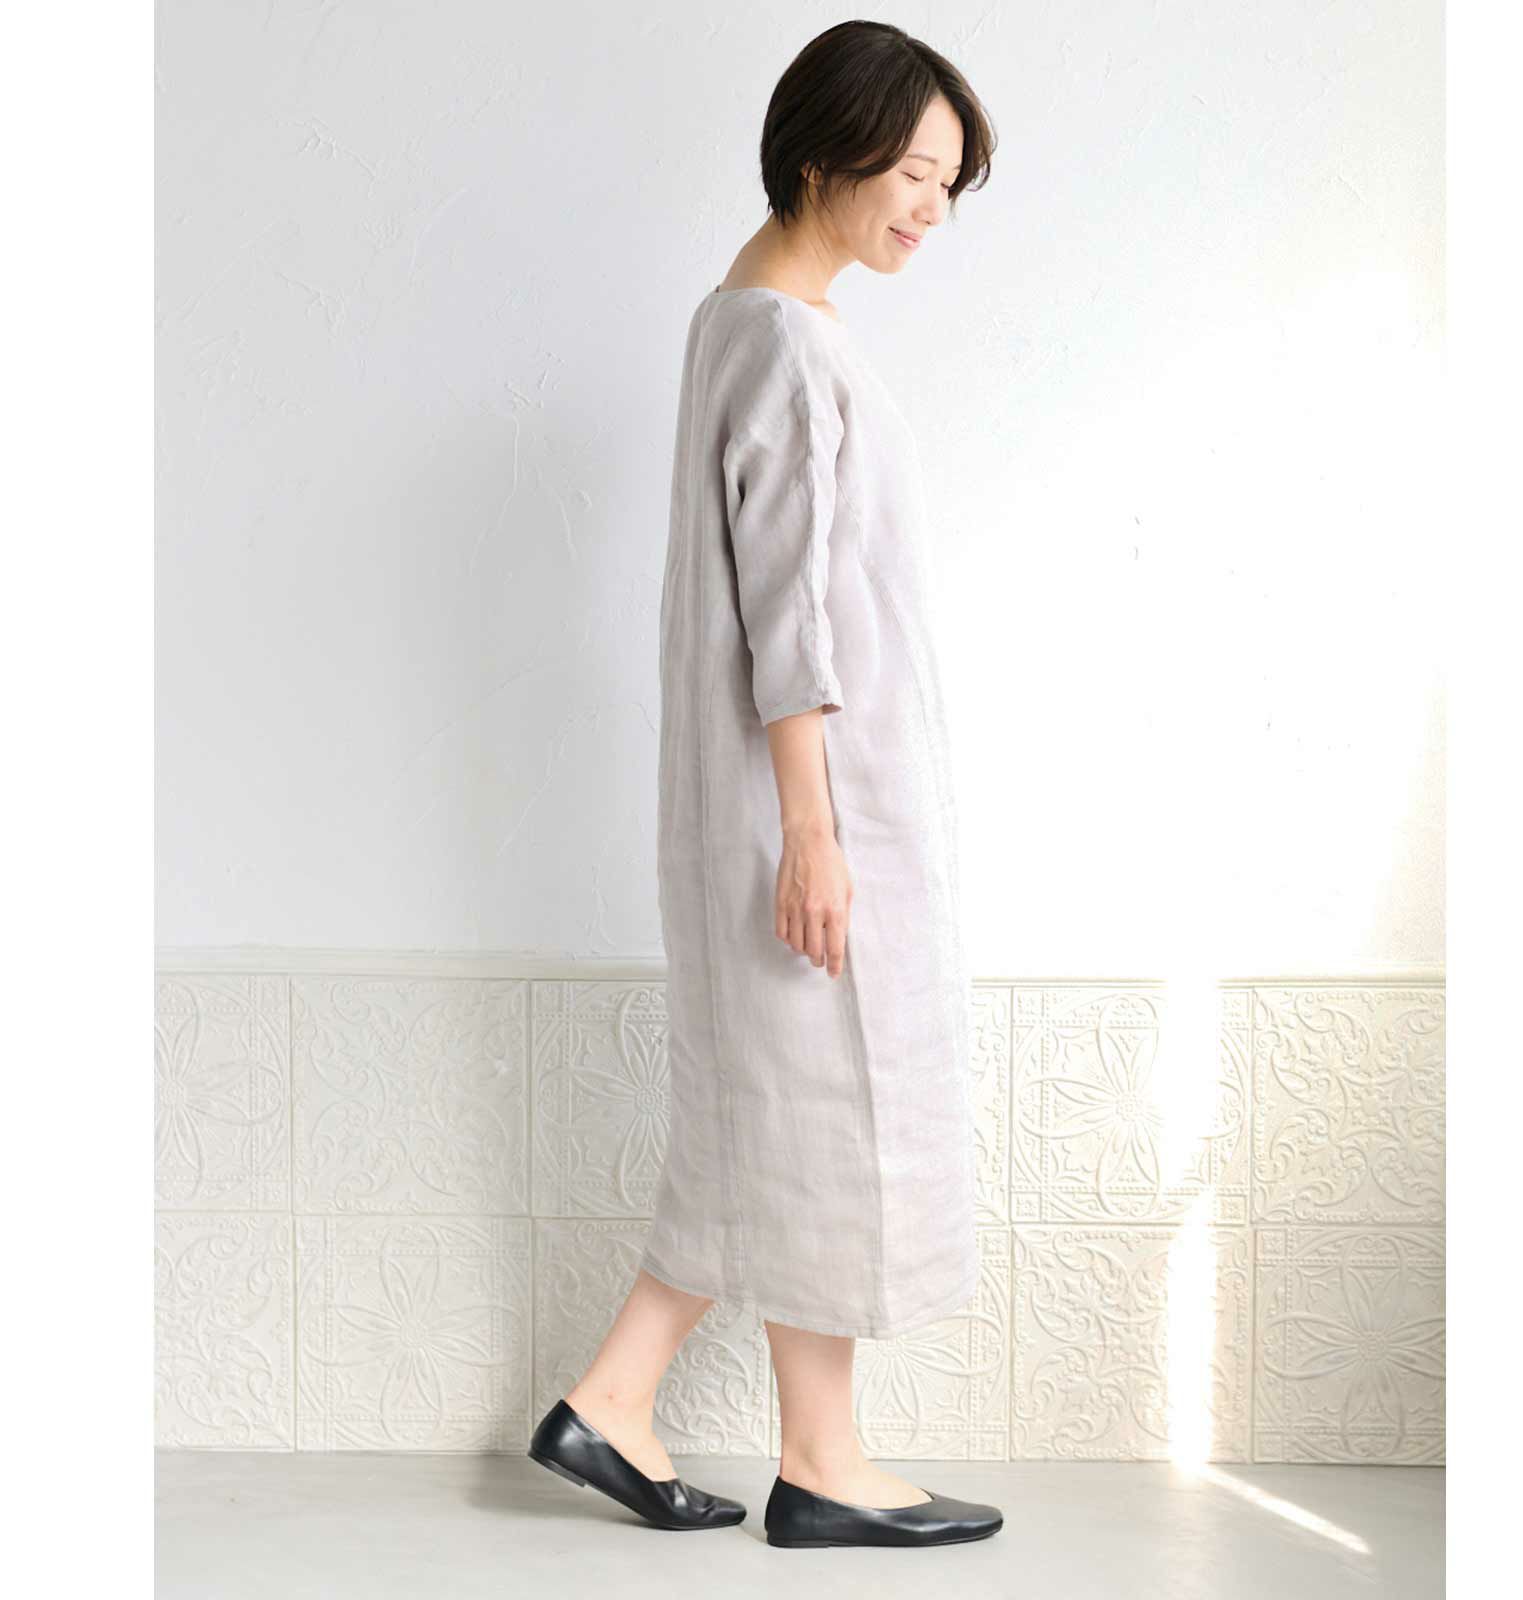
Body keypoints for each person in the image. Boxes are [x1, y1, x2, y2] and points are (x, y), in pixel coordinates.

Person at [530, 21, 1002, 1549]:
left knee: (780, 1123)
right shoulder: (792, 347)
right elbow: (791, 616)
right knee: (828, 1113)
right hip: (814, 805)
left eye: (948, 182)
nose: (930, 207)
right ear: (822, 152)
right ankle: (812, 1460)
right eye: (912, 170)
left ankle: (640, 1408)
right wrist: (813, 829)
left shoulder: (733, 319)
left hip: (767, 804)